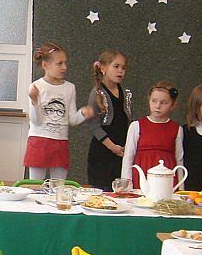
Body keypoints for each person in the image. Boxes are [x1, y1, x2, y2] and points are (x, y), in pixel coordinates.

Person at [24, 42, 93, 181]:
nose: (64, 67)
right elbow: (36, 121)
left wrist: (82, 114)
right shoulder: (36, 86)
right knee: (36, 185)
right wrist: (34, 101)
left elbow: (71, 120)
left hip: (60, 143)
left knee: (59, 187)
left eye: (65, 63)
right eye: (59, 63)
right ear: (45, 65)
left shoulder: (70, 88)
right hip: (39, 141)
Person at [121, 81, 184, 189]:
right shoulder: (136, 126)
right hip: (141, 180)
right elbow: (128, 158)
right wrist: (127, 185)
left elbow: (179, 159)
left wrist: (181, 188)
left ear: (173, 105)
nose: (158, 106)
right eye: (154, 101)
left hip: (166, 182)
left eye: (164, 103)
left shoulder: (177, 129)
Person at [86, 50, 133, 190]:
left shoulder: (126, 93)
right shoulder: (97, 93)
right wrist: (112, 147)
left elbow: (128, 121)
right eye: (116, 66)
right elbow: (94, 126)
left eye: (123, 68)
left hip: (121, 151)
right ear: (103, 68)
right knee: (103, 190)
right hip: (103, 152)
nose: (120, 71)